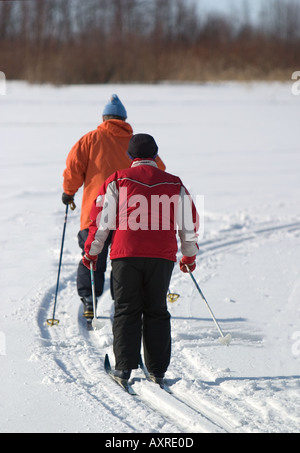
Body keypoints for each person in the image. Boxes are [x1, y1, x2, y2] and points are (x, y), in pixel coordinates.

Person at [83, 133, 199, 383]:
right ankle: (158, 370)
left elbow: (102, 220)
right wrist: (188, 256)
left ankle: (123, 369)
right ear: (156, 155)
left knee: (126, 308)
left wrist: (92, 252)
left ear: (130, 156)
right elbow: (188, 224)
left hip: (127, 254)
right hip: (162, 255)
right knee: (156, 309)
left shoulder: (117, 179)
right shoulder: (174, 183)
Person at [62, 95, 166, 319]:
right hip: (129, 216)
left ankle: (89, 299)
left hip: (94, 213)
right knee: (122, 260)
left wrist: (68, 192)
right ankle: (122, 301)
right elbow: (159, 171)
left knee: (92, 254)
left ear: (104, 118)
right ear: (124, 119)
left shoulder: (90, 139)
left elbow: (73, 169)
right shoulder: (136, 143)